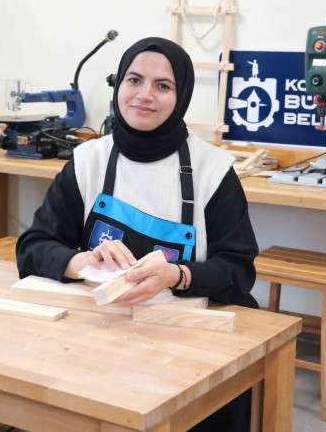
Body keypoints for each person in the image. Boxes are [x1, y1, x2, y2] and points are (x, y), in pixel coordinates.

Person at [16, 37, 258, 432]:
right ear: (119, 86)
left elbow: (238, 269)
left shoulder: (213, 171)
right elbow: (33, 247)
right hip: (105, 332)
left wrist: (178, 275)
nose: (145, 95)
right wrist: (81, 262)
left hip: (188, 342)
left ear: (181, 97)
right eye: (134, 80)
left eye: (163, 86)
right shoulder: (88, 161)